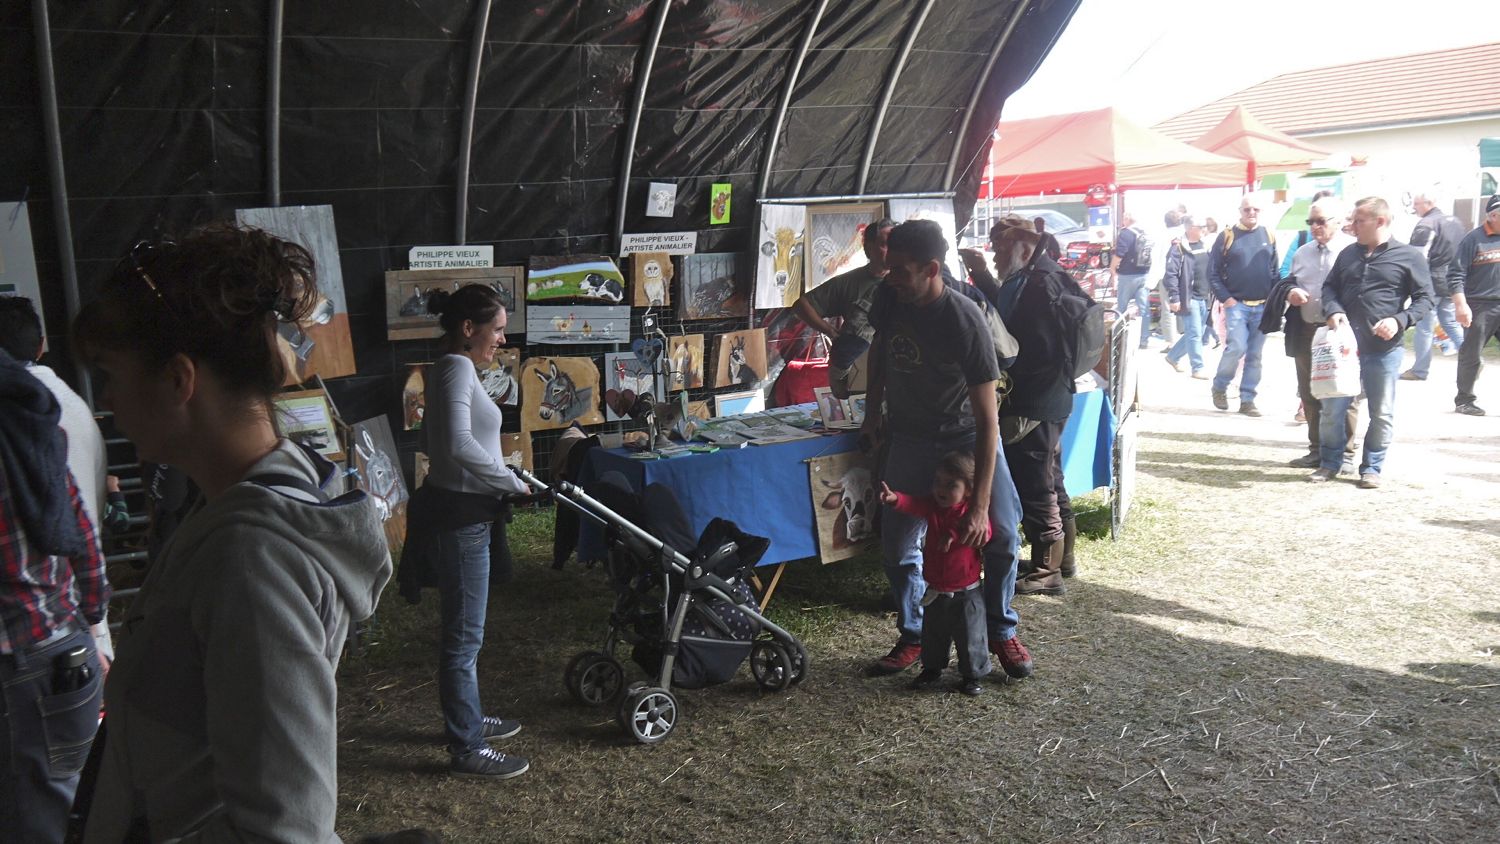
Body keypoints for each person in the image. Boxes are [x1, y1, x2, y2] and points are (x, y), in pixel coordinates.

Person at [76, 223, 393, 841]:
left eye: (110, 373)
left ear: (178, 381)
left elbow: (285, 829)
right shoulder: (240, 501)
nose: (107, 400)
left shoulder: (252, 557)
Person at [862, 220, 1032, 681]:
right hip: (909, 437)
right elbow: (879, 349)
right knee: (898, 546)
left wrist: (977, 506)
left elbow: (988, 421)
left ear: (932, 269)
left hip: (964, 438)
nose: (891, 277)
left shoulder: (965, 318)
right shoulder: (890, 296)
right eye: (889, 267)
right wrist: (872, 410)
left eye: (901, 270)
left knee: (1002, 534)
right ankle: (914, 633)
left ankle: (1000, 628)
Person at [412, 283, 534, 779]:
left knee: (466, 636)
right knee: (463, 639)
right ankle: (467, 747)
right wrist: (509, 481)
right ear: (469, 328)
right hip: (461, 519)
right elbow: (459, 444)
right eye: (497, 329)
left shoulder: (453, 368)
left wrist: (502, 477)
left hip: (466, 512)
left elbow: (443, 441)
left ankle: (468, 718)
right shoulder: (457, 368)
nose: (502, 339)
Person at [0, 348, 110, 844]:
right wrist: (89, 626)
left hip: (16, 668)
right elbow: (83, 540)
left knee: (32, 823)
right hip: (66, 650)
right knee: (73, 807)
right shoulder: (36, 428)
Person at [967, 216, 1083, 595]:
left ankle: (1047, 571)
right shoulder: (1042, 276)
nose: (995, 254)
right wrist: (982, 275)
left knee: (1037, 483)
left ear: (1024, 247)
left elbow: (1016, 340)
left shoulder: (1037, 285)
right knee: (1050, 478)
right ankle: (1063, 560)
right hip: (1052, 396)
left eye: (1001, 247)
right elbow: (1010, 316)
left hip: (1036, 399)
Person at [1313, 197, 1434, 488]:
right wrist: (1333, 309)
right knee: (1332, 410)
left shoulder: (1409, 256)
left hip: (1383, 350)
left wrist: (1399, 320)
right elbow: (1329, 287)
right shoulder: (1348, 254)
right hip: (1344, 348)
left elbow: (1425, 299)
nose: (1352, 226)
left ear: (1380, 221)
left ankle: (1372, 468)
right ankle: (1330, 463)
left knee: (1382, 412)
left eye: (1359, 221)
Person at [878, 451, 991, 696]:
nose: (941, 489)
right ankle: (931, 669)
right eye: (938, 481)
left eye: (951, 485)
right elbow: (915, 504)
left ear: (969, 490)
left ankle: (972, 675)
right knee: (933, 633)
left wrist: (954, 535)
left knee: (971, 636)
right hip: (935, 588)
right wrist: (895, 499)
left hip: (966, 591)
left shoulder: (972, 515)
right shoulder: (933, 506)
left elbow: (985, 533)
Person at [1284, 199, 1359, 471]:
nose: (1315, 226)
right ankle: (1316, 450)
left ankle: (1346, 454)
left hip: (1340, 332)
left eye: (1321, 221)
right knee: (1310, 392)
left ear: (1339, 221)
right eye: (1311, 222)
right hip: (1307, 330)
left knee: (1344, 392)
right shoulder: (1302, 253)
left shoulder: (1351, 251)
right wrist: (1290, 292)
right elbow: (1288, 280)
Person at [794, 218, 896, 398]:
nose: (892, 250)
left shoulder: (910, 280)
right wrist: (830, 332)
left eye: (896, 244)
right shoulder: (850, 282)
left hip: (899, 372)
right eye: (885, 244)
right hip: (862, 376)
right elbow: (802, 305)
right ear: (869, 248)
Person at [1209, 194, 1281, 416]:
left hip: (1262, 306)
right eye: (1247, 209)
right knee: (1237, 347)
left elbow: (1274, 271)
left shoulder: (1268, 235)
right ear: (1240, 211)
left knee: (1255, 355)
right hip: (1237, 305)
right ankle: (1220, 386)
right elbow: (1212, 272)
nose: (1251, 213)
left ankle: (1248, 399)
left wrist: (1274, 301)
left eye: (1255, 209)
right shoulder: (1227, 236)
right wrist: (1227, 299)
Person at [1401, 191, 1468, 381]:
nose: (1414, 208)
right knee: (1449, 321)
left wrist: (1410, 282)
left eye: (1416, 204)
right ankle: (1473, 358)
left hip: (1431, 282)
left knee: (1424, 327)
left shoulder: (1426, 224)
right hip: (1453, 281)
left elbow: (1417, 258)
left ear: (1427, 203)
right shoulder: (1455, 222)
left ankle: (1419, 370)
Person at [1451, 193, 1500, 416]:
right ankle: (1464, 400)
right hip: (1480, 305)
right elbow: (1455, 274)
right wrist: (1461, 305)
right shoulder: (1473, 239)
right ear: (1493, 215)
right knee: (1471, 354)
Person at [1163, 216, 1213, 378]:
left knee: (1197, 331)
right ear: (1191, 228)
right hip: (1190, 297)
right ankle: (1197, 368)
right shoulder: (1178, 248)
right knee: (1194, 333)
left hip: (1205, 296)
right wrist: (1174, 297)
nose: (1205, 229)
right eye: (1202, 226)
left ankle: (1173, 357)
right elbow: (1170, 274)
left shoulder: (1205, 246)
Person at [1108, 213, 1153, 349]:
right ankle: (1144, 340)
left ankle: (1118, 340)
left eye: (1123, 218)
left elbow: (1120, 253)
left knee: (1121, 307)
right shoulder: (1145, 232)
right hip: (1144, 274)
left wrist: (1112, 268)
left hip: (1127, 275)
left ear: (1127, 219)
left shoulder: (1126, 233)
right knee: (1144, 308)